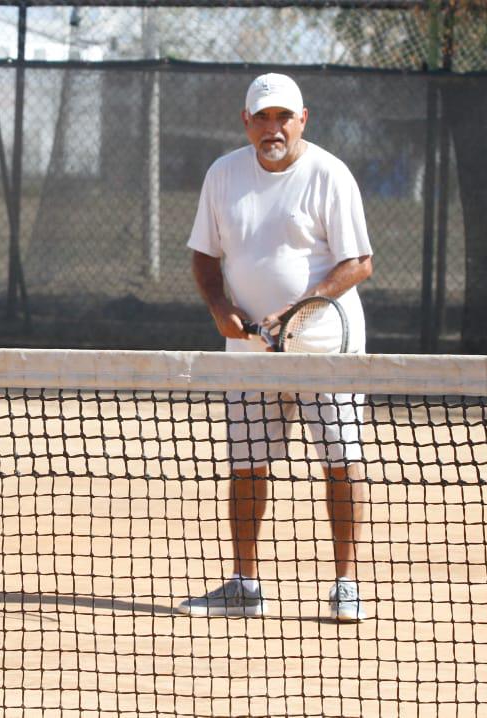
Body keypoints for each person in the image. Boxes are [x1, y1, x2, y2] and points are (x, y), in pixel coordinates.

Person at [178, 73, 374, 622]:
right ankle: (244, 584)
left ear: (302, 119)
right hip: (249, 355)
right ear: (246, 121)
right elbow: (203, 254)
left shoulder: (329, 173)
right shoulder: (222, 174)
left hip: (327, 350)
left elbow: (359, 261)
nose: (273, 128)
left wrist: (300, 309)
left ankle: (346, 585)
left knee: (342, 464)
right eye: (262, 117)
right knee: (246, 466)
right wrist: (219, 307)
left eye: (283, 117)